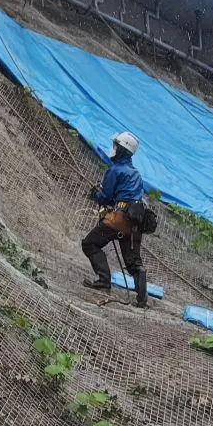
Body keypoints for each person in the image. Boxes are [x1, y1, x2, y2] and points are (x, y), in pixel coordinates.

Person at [82, 131, 150, 307]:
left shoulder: (116, 170)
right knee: (133, 262)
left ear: (121, 150)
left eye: (116, 146)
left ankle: (104, 280)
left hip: (118, 218)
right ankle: (142, 300)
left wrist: (95, 195)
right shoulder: (135, 173)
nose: (113, 149)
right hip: (135, 221)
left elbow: (105, 197)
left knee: (90, 243)